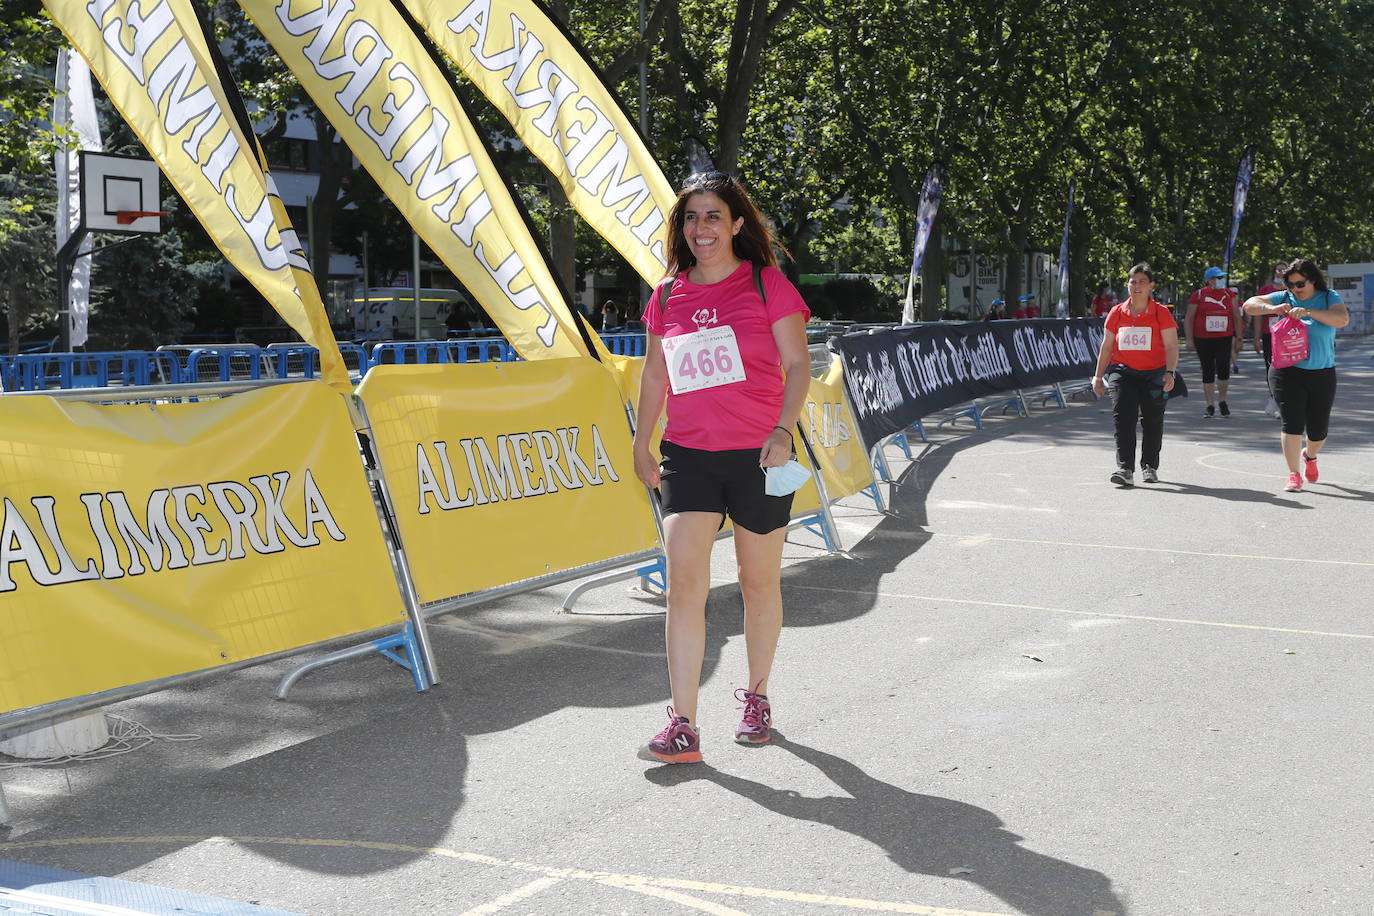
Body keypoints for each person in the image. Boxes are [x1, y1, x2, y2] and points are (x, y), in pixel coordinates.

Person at [632, 170, 811, 763]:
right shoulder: (667, 295)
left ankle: (757, 696)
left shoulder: (766, 284)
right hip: (688, 456)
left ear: (736, 224)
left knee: (758, 582)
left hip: (760, 454)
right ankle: (683, 723)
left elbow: (798, 368)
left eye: (713, 216)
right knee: (684, 584)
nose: (701, 228)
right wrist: (642, 440)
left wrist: (784, 432)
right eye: (691, 217)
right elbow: (656, 374)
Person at [1242, 257, 1349, 492]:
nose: (1294, 290)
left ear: (1312, 280)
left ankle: (1310, 456)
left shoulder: (1329, 297)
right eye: (1289, 285)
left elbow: (1341, 319)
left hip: (1321, 372)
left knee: (1318, 431)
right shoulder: (1285, 297)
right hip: (1286, 370)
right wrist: (1271, 308)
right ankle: (1293, 474)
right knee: (1292, 423)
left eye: (1299, 284)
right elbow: (1248, 305)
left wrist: (1309, 311)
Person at [1091, 263, 1179, 486]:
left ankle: (1149, 466)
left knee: (1152, 421)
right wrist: (1098, 376)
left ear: (1151, 285)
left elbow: (1171, 346)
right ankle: (1125, 469)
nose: (1136, 285)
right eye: (1132, 281)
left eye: (1141, 281)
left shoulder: (1161, 313)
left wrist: (1170, 372)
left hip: (1154, 374)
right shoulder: (1117, 312)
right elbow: (1107, 346)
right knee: (1123, 420)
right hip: (1123, 372)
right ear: (1127, 285)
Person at [1185, 266, 1241, 417]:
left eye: (1222, 277)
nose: (1221, 280)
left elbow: (1236, 316)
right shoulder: (1199, 295)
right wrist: (1189, 339)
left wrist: (1239, 338)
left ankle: (1222, 401)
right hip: (1203, 338)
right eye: (1217, 278)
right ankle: (1209, 405)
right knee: (1208, 370)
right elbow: (1189, 318)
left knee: (1223, 368)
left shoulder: (1230, 295)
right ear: (1209, 280)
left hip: (1224, 337)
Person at [1253, 262, 1287, 416]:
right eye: (1278, 270)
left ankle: (1284, 401)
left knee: (1288, 367)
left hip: (1288, 335)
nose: (1280, 272)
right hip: (1270, 335)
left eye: (1284, 270)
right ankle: (1274, 397)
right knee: (1271, 368)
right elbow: (1258, 315)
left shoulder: (1292, 290)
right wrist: (1256, 338)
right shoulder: (1265, 291)